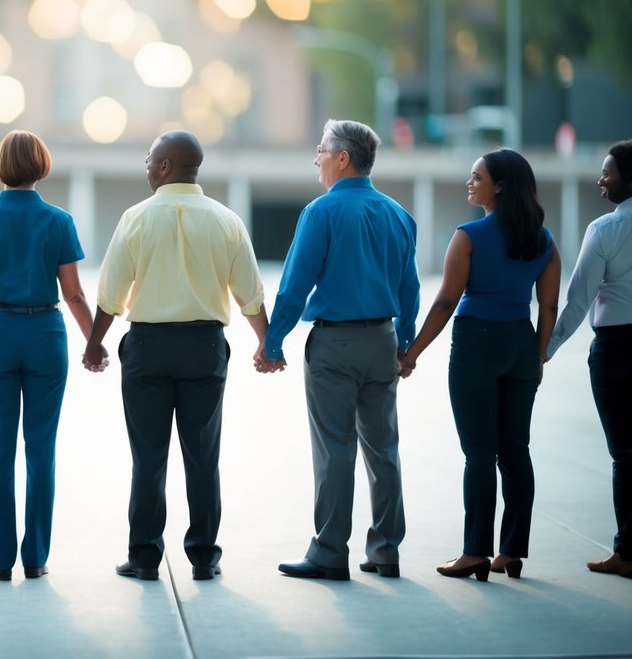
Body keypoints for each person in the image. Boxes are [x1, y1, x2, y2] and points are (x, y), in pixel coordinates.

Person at [82, 130, 269, 582]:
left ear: (165, 166)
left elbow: (110, 294)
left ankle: (144, 558)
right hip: (205, 349)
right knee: (203, 456)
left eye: (150, 159)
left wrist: (94, 343)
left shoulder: (135, 218)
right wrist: (267, 342)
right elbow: (250, 294)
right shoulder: (226, 220)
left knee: (148, 458)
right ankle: (205, 557)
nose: (146, 166)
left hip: (147, 348)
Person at [264, 119, 419, 581]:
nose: (316, 157)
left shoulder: (321, 212)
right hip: (383, 341)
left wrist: (273, 342)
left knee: (335, 449)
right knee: (384, 448)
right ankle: (386, 550)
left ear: (343, 158)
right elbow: (409, 288)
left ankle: (330, 552)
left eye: (321, 149)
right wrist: (405, 343)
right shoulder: (398, 214)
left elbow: (295, 285)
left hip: (335, 344)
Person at [401, 148, 560, 582]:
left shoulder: (468, 235)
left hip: (476, 344)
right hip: (520, 345)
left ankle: (474, 553)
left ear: (500, 185)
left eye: (477, 177)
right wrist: (538, 354)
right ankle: (511, 551)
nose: (470, 183)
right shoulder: (543, 240)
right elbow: (548, 305)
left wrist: (411, 353)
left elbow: (447, 301)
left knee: (479, 453)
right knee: (516, 452)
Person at [0, 130, 96, 581]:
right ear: (41, 164)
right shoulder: (59, 221)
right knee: (41, 449)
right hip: (45, 333)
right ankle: (35, 558)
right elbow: (73, 295)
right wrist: (94, 344)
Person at [545, 140, 632, 578]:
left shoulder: (605, 230)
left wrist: (544, 350)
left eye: (608, 172)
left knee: (626, 455)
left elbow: (578, 302)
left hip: (617, 353)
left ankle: (628, 552)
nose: (601, 179)